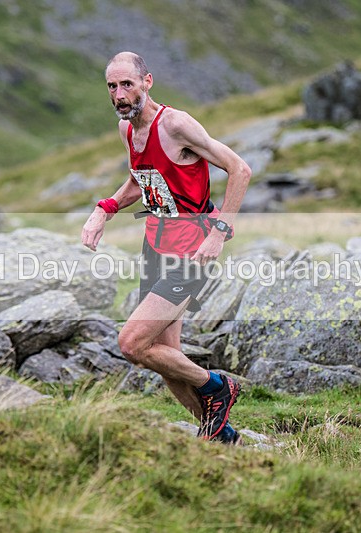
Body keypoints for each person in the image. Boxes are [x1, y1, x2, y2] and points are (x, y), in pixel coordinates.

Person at [81, 52, 252, 443]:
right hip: (156, 246)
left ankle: (217, 385)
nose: (119, 95)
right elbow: (139, 179)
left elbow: (240, 169)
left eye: (127, 84)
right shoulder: (127, 130)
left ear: (148, 82)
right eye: (112, 86)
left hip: (193, 249)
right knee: (162, 355)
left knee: (132, 343)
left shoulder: (175, 124)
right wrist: (104, 209)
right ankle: (222, 438)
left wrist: (219, 232)